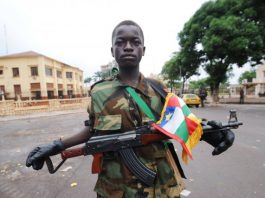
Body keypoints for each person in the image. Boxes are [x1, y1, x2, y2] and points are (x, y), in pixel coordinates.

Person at [26, 20, 235, 197]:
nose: (128, 47)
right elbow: (92, 129)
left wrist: (210, 133)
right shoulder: (99, 92)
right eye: (121, 42)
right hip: (116, 186)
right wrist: (56, 146)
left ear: (143, 50)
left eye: (135, 42)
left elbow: (182, 121)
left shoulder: (158, 88)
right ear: (112, 50)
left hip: (161, 184)